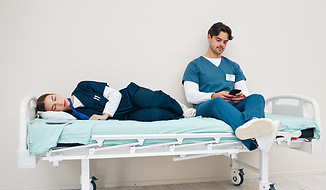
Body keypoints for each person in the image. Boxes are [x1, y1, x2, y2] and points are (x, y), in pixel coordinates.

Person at [182, 22, 280, 153]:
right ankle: (254, 138)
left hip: (231, 105)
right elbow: (191, 96)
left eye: (225, 42)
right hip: (208, 106)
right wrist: (213, 95)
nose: (221, 44)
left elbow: (245, 92)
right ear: (209, 37)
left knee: (257, 97)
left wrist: (242, 96)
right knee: (218, 101)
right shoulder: (195, 65)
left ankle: (253, 123)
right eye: (218, 40)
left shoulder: (233, 66)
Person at [37, 81, 195, 121]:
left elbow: (114, 95)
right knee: (156, 115)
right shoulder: (75, 117)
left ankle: (181, 108)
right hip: (125, 115)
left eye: (54, 99)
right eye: (54, 107)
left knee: (154, 98)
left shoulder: (82, 87)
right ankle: (180, 116)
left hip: (128, 96)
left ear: (54, 93)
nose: (59, 103)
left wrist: (105, 114)